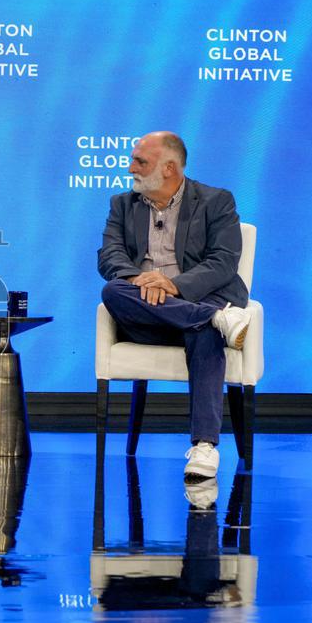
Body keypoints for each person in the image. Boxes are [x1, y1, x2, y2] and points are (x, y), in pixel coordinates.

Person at [97, 132, 250, 480]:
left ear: (168, 168)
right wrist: (140, 279)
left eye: (140, 162)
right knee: (113, 291)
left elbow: (224, 262)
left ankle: (204, 447)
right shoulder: (122, 204)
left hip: (195, 297)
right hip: (147, 314)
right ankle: (216, 318)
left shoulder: (216, 201)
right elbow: (109, 256)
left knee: (203, 333)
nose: (131, 168)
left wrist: (174, 285)